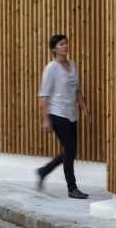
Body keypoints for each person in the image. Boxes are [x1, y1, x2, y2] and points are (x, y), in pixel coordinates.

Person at [37, 34, 92, 199]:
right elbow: (44, 95)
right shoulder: (51, 68)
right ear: (54, 48)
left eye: (66, 44)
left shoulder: (72, 65)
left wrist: (85, 109)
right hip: (57, 112)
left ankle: (44, 170)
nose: (65, 46)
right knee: (70, 149)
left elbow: (77, 91)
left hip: (71, 113)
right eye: (61, 44)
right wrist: (45, 119)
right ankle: (72, 188)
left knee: (70, 150)